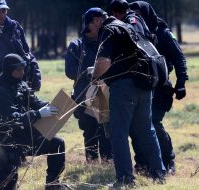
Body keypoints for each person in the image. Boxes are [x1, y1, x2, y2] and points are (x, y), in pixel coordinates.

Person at [83, 7, 166, 186]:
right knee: (146, 130)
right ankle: (159, 173)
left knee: (118, 133)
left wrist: (94, 77)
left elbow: (103, 61)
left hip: (125, 86)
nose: (91, 32)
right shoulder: (127, 25)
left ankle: (125, 179)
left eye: (90, 27)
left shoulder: (109, 29)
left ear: (97, 20)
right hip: (144, 85)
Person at [0, 53, 65, 190]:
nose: (22, 72)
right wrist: (38, 114)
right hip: (6, 141)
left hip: (25, 135)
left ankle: (53, 185)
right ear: (9, 71)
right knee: (8, 182)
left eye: (23, 68)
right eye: (18, 70)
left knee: (57, 143)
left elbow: (35, 102)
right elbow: (10, 119)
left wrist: (55, 107)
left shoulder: (20, 84)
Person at [129, 1, 189, 174]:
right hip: (140, 88)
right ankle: (143, 163)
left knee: (153, 122)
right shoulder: (132, 34)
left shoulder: (162, 32)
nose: (135, 17)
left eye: (138, 13)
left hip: (161, 87)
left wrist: (181, 83)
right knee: (136, 126)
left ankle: (168, 161)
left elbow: (179, 58)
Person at [65, 12, 112, 163]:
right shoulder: (76, 46)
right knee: (89, 129)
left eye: (102, 20)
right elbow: (70, 71)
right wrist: (88, 72)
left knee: (106, 130)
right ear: (87, 24)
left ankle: (107, 162)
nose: (101, 24)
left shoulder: (108, 43)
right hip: (84, 93)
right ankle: (91, 162)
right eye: (96, 21)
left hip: (105, 92)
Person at [0, 0, 41, 103]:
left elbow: (28, 54)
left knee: (22, 117)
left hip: (19, 84)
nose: (2, 14)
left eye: (4, 10)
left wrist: (35, 79)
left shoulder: (15, 27)